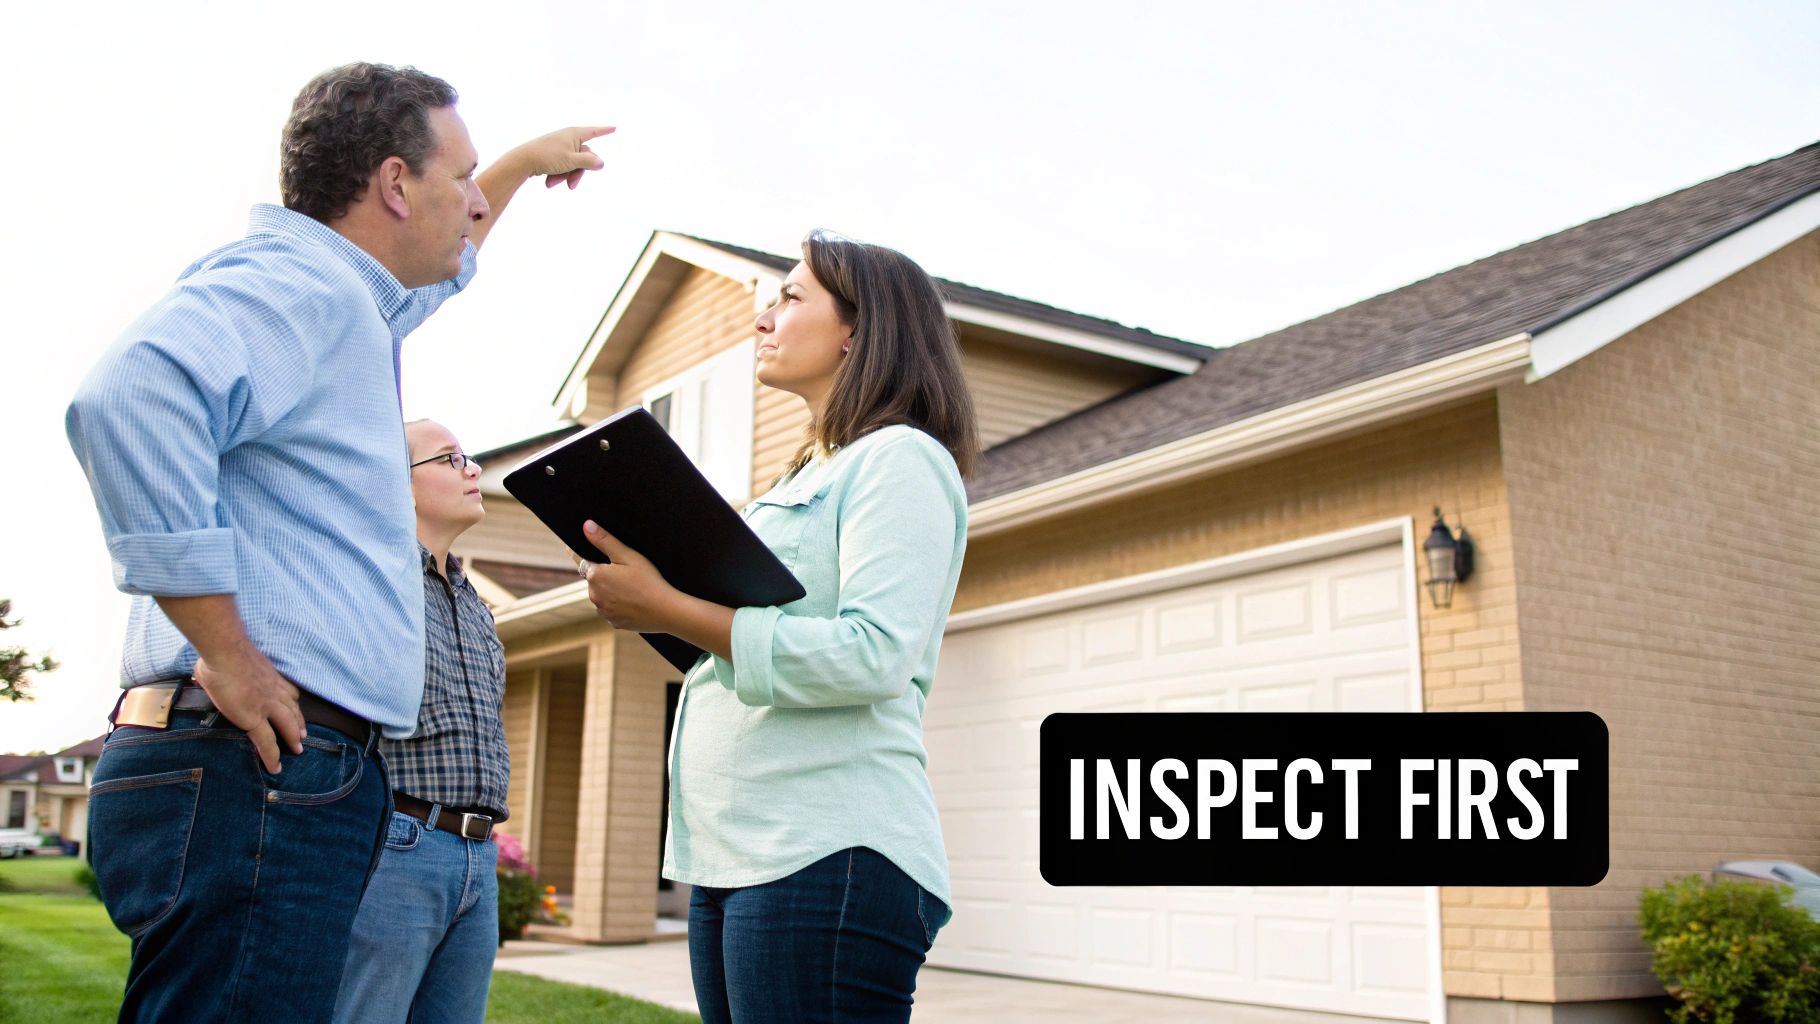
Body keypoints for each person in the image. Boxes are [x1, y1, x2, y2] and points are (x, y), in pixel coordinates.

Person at [65, 62, 609, 1023]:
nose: (475, 202)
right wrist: (228, 655)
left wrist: (520, 166)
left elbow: (442, 269)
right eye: (464, 177)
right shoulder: (299, 283)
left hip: (273, 770)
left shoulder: (349, 302)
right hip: (256, 761)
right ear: (398, 184)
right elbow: (130, 397)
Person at [577, 230, 978, 1023]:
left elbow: (874, 655)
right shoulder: (804, 474)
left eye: (791, 297)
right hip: (739, 854)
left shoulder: (897, 458)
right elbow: (746, 635)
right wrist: (663, 605)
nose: (763, 317)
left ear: (858, 331)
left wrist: (672, 608)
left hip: (826, 852)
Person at [332, 419, 508, 1024]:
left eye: (470, 456)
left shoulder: (475, 603)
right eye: (449, 459)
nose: (473, 469)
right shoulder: (375, 584)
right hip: (399, 844)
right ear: (395, 483)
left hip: (479, 858)